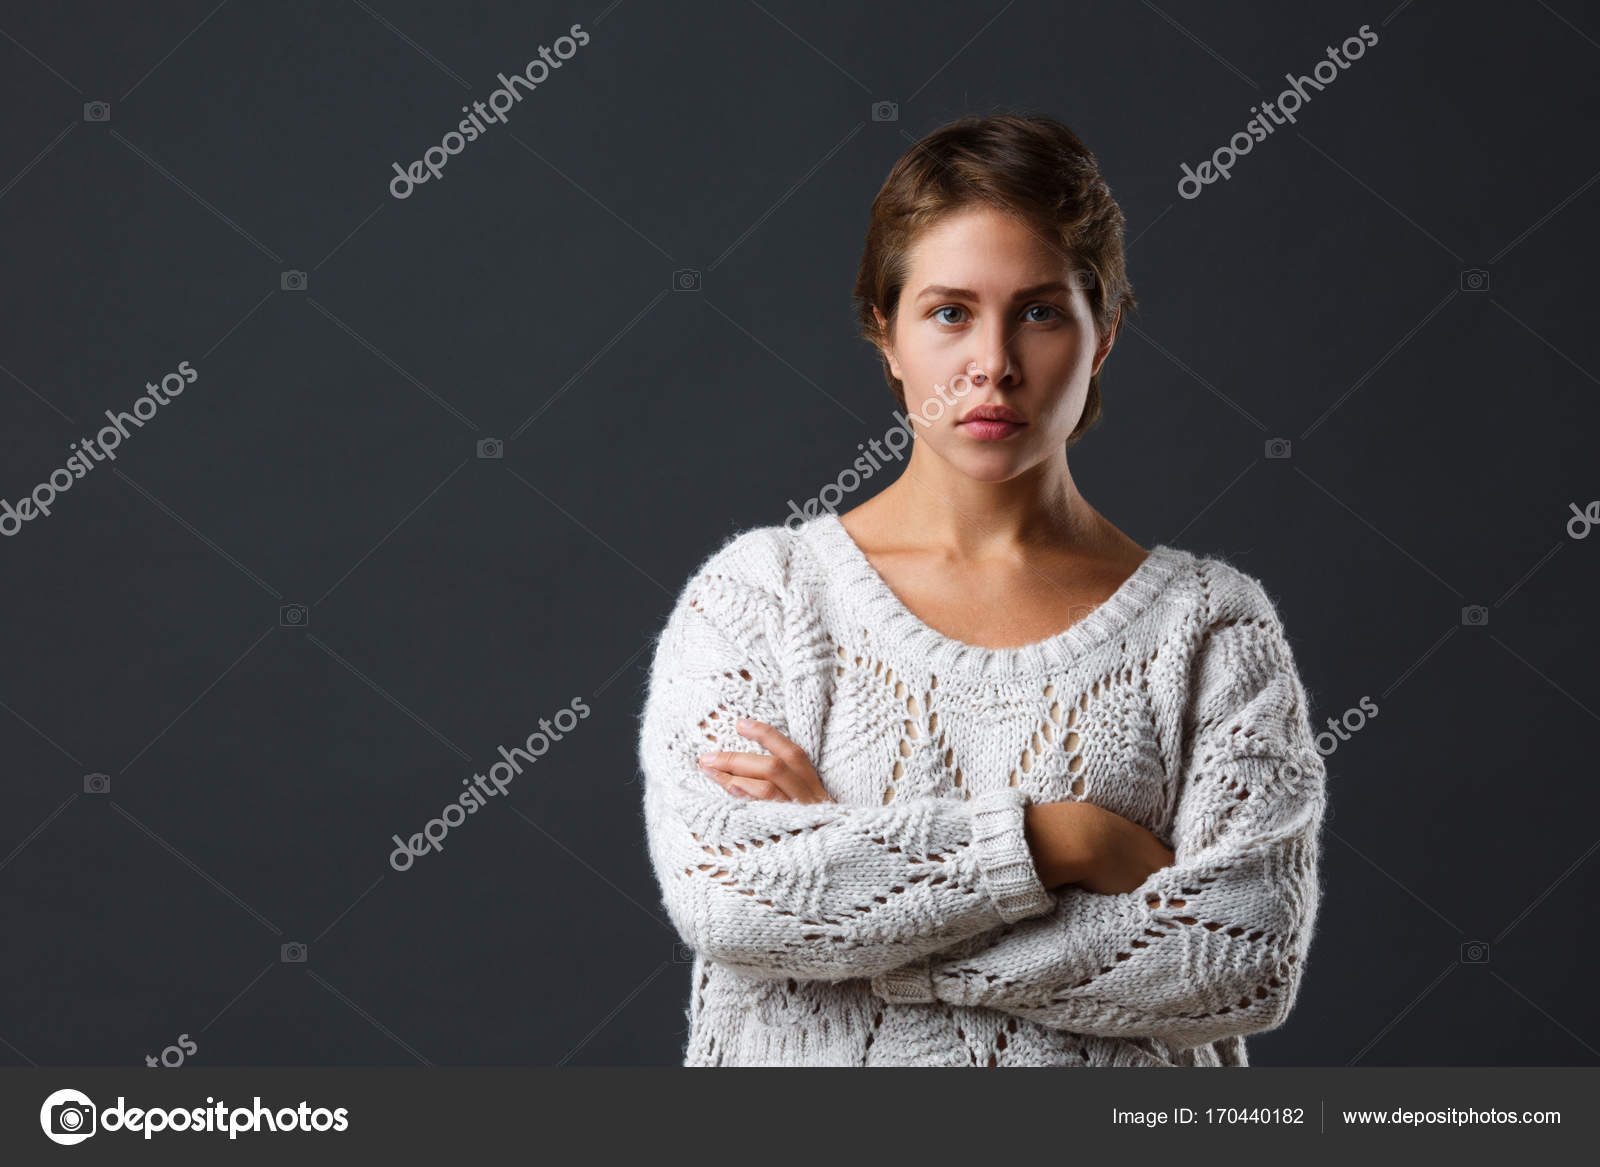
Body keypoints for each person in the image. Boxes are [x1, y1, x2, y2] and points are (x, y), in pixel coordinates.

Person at [637, 113, 1327, 1067]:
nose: (992, 364)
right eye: (949, 311)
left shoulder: (1209, 627)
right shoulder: (762, 599)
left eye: (1040, 311)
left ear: (1105, 333)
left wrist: (852, 884)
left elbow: (1241, 959)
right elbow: (732, 902)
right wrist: (1067, 842)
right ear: (886, 332)